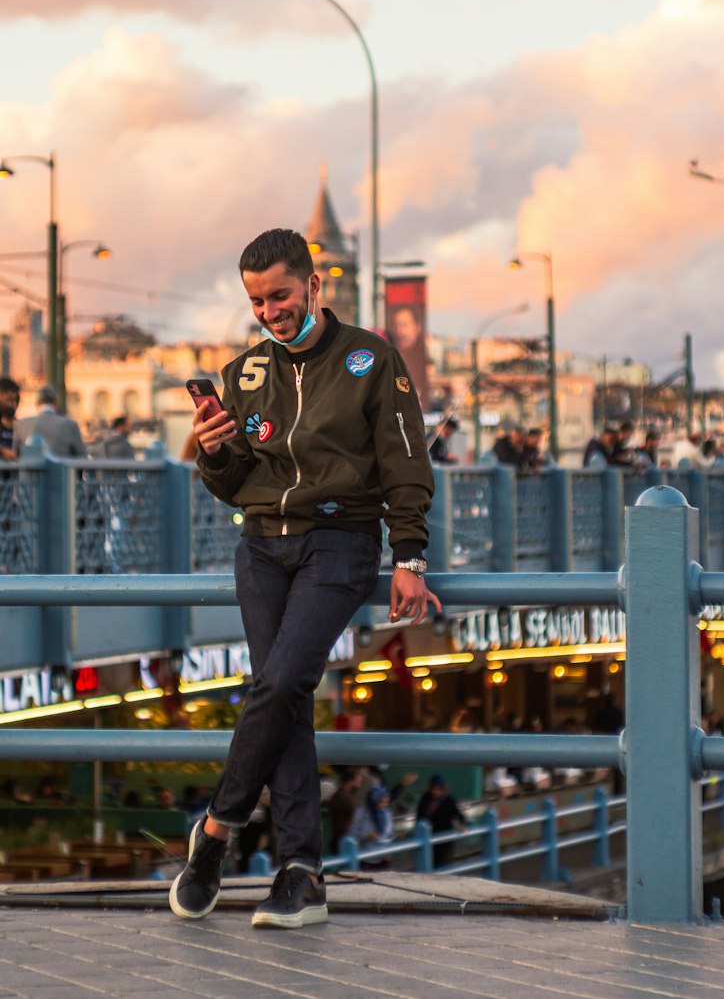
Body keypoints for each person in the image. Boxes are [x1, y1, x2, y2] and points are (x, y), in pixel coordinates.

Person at [168, 228, 436, 930]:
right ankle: (300, 877)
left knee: (282, 683)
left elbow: (406, 461)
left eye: (280, 295)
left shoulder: (371, 360)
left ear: (314, 287)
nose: (269, 311)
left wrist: (409, 557)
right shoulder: (246, 374)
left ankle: (216, 833)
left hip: (339, 543)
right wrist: (215, 452)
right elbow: (234, 487)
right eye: (256, 300)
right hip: (261, 546)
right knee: (280, 699)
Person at [14, 385, 87, 457]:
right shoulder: (70, 425)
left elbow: (15, 455)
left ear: (37, 404)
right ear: (56, 403)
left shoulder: (20, 425)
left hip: (30, 468)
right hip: (60, 468)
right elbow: (82, 455)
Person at [416, 775, 467, 868]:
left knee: (443, 864)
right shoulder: (426, 798)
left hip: (445, 836)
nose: (435, 791)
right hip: (430, 835)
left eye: (438, 789)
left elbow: (457, 814)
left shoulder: (448, 799)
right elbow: (420, 816)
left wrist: (462, 824)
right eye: (433, 788)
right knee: (430, 862)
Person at [350, 785, 394, 868]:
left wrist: (394, 837)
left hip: (384, 857)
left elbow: (388, 834)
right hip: (367, 857)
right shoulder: (361, 813)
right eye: (381, 802)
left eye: (386, 802)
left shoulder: (387, 813)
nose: (384, 805)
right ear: (374, 800)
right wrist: (367, 835)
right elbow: (353, 834)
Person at [327, 767, 362, 856]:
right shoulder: (343, 799)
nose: (359, 785)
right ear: (350, 781)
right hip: (342, 843)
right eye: (357, 781)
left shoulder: (341, 796)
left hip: (344, 841)